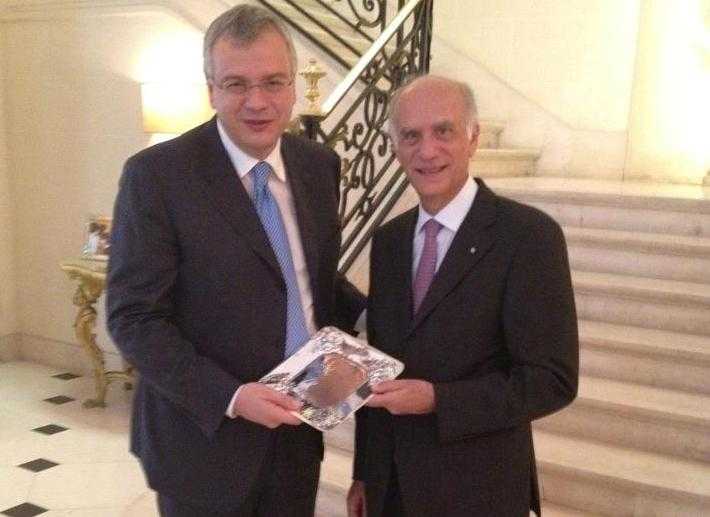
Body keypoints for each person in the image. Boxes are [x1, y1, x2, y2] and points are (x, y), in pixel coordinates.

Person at [106, 5, 364, 516]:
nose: (257, 102)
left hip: (298, 433)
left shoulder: (319, 166)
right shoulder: (157, 176)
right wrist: (231, 396)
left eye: (272, 82)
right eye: (236, 84)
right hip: (202, 443)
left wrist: (380, 317)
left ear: (293, 86)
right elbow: (134, 318)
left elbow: (306, 276)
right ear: (211, 89)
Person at [346, 75, 579, 517]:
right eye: (411, 136)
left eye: (443, 131)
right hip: (392, 488)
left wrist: (439, 399)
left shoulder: (527, 237)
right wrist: (365, 472)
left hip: (478, 490)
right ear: (394, 147)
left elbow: (552, 381)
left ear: (473, 137)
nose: (427, 150)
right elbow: (380, 364)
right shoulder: (389, 241)